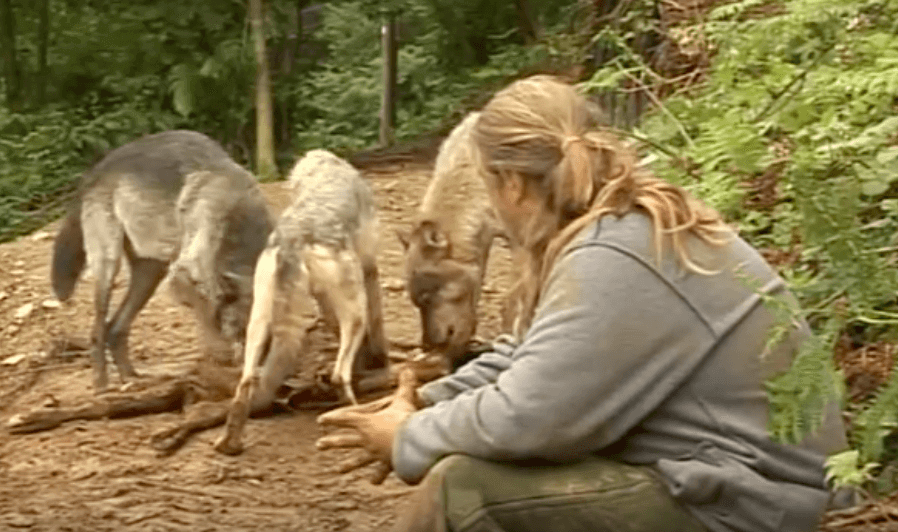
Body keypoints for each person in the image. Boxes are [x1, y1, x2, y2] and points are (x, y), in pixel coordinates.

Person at [316, 75, 855, 532]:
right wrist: (425, 400)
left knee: (463, 490)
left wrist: (410, 436)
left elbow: (533, 417)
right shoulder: (617, 227)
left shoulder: (616, 253)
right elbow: (531, 357)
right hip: (728, 482)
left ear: (511, 185)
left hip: (756, 502)